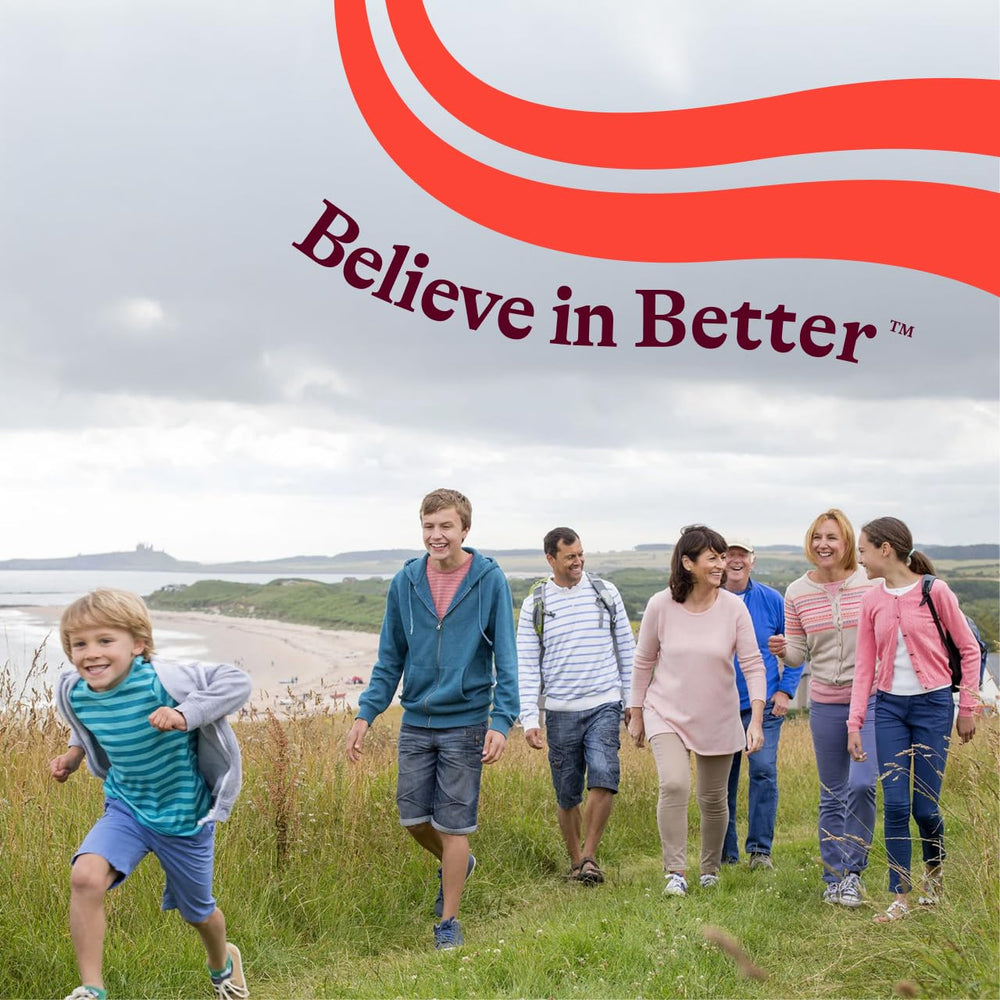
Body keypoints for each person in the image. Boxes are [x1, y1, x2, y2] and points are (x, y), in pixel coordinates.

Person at [49, 589, 251, 1000]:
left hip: (182, 817)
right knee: (85, 877)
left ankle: (222, 963)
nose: (90, 653)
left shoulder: (163, 680)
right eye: (79, 644)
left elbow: (238, 681)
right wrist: (73, 754)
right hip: (127, 807)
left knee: (199, 914)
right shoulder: (76, 690)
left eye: (105, 641)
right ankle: (92, 989)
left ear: (138, 644)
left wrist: (183, 713)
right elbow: (93, 725)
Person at [345, 488, 519, 950]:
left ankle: (448, 923)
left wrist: (502, 721)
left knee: (455, 824)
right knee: (413, 818)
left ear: (464, 529)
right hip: (417, 719)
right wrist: (367, 714)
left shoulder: (489, 580)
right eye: (428, 526)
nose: (436, 535)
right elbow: (389, 658)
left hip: (467, 721)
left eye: (446, 526)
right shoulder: (405, 582)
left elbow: (507, 655)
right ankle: (459, 864)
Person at [849, 516, 978, 922]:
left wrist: (968, 709)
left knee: (925, 807)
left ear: (886, 549)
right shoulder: (872, 599)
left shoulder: (935, 592)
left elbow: (969, 650)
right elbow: (865, 667)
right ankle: (900, 896)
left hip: (934, 707)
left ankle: (934, 876)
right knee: (896, 804)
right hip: (888, 709)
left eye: (864, 549)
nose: (861, 558)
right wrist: (854, 723)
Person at [628, 525, 766, 897]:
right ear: (688, 563)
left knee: (713, 798)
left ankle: (709, 870)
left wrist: (755, 717)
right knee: (674, 784)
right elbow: (643, 661)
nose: (721, 564)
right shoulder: (661, 605)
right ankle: (675, 871)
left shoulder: (734, 609)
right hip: (665, 710)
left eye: (722, 557)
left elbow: (753, 664)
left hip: (718, 714)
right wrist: (636, 712)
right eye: (713, 558)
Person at [768, 508, 876, 907]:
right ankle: (834, 877)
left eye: (831, 537)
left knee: (862, 784)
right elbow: (799, 655)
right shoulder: (796, 591)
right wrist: (784, 651)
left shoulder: (871, 583)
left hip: (871, 698)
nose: (823, 545)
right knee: (832, 792)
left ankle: (854, 871)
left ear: (847, 542)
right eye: (817, 537)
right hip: (826, 703)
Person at [516, 527, 636, 884]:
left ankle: (589, 857)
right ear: (550, 559)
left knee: (604, 775)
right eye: (570, 557)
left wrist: (632, 702)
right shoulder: (535, 603)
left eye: (581, 554)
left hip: (604, 702)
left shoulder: (605, 592)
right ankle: (575, 862)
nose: (578, 561)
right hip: (559, 709)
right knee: (567, 792)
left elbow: (627, 650)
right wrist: (529, 719)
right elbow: (527, 663)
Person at [721, 537, 801, 870]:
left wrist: (785, 690)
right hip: (720, 704)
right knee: (722, 780)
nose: (736, 560)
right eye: (730, 555)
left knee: (764, 772)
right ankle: (725, 854)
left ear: (752, 560)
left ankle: (759, 852)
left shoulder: (772, 599)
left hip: (765, 705)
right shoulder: (709, 598)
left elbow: (797, 647)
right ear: (720, 560)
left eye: (743, 554)